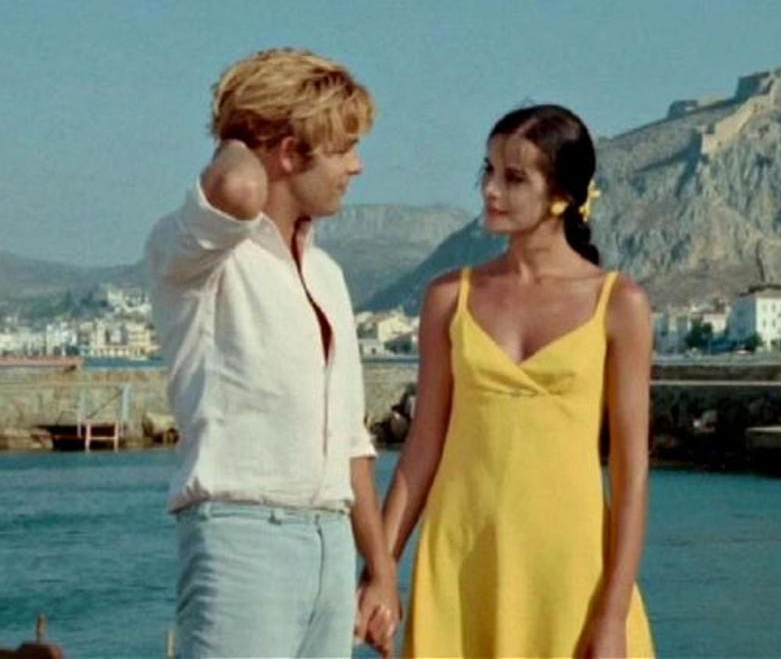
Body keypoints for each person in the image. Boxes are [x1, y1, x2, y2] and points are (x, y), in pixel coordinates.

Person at [145, 48, 399, 658]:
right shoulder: (199, 258)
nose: (357, 165)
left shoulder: (327, 274)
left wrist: (381, 571)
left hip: (331, 540)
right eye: (343, 148)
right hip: (244, 539)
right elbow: (236, 186)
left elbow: (350, 442)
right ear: (288, 152)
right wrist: (239, 133)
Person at [381, 104, 656, 657]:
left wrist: (612, 614)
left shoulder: (619, 303)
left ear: (562, 194)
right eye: (487, 170)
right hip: (460, 564)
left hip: (569, 572)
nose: (490, 190)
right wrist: (381, 570)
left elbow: (631, 472)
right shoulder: (448, 297)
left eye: (513, 177)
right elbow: (423, 446)